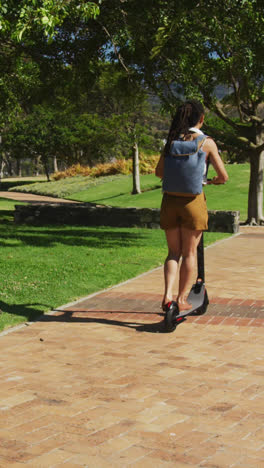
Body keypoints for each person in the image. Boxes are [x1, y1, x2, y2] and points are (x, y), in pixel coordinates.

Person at [155, 99, 228, 313]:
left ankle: (167, 296)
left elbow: (159, 172)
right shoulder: (207, 143)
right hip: (193, 202)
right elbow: (224, 176)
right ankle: (182, 298)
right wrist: (212, 180)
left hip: (169, 201)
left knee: (172, 253)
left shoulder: (170, 141)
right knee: (189, 253)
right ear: (201, 119)